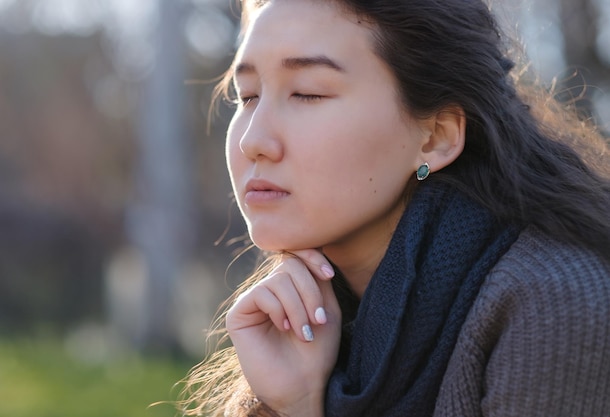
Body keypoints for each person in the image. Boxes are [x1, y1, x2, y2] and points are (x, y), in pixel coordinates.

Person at [180, 0, 610, 416]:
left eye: (307, 93)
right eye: (247, 96)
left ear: (435, 137)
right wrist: (294, 404)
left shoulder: (553, 307)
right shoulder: (304, 318)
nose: (251, 141)